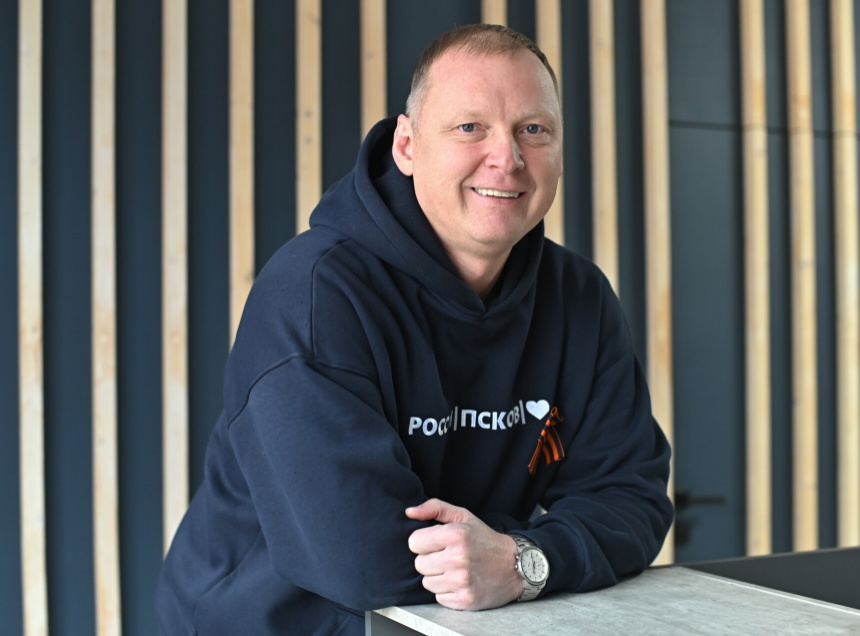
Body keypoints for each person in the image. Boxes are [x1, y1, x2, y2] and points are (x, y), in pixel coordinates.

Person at [156, 23, 673, 636]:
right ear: (406, 145)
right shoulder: (315, 296)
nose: (507, 158)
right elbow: (362, 559)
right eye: (470, 127)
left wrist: (522, 561)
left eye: (533, 129)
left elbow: (631, 498)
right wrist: (518, 557)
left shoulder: (578, 298)